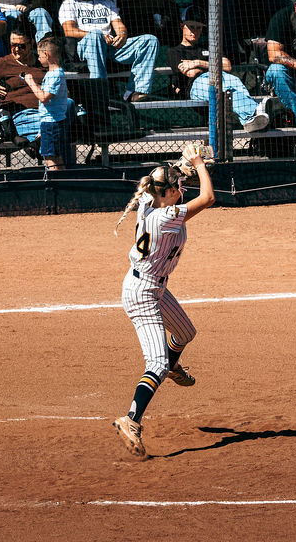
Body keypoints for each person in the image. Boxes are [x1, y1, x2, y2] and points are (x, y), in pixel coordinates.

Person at [109, 141, 214, 459]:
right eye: (179, 187)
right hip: (142, 294)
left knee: (185, 333)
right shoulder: (164, 218)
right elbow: (208, 198)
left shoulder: (151, 202)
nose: (183, 189)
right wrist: (197, 163)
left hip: (156, 288)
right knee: (154, 363)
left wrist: (181, 166)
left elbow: (167, 178)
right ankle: (131, 420)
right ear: (167, 195)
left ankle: (171, 365)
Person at [57, 0, 159, 102]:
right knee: (95, 35)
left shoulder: (106, 3)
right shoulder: (68, 3)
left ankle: (134, 91)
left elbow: (119, 25)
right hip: (85, 48)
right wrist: (99, 36)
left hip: (110, 47)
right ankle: (100, 92)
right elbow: (68, 30)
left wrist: (122, 35)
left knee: (150, 40)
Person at [169, 6, 271, 133]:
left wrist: (197, 63)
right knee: (224, 88)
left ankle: (250, 119)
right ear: (182, 26)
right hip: (196, 85)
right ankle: (256, 111)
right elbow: (191, 73)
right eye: (191, 27)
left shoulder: (207, 46)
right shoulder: (175, 51)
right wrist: (212, 65)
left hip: (221, 76)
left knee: (234, 80)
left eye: (199, 27)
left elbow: (227, 65)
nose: (194, 31)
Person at [0, 24, 45, 149]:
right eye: (13, 45)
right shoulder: (3, 64)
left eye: (21, 46)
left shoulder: (42, 61)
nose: (16, 49)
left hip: (47, 111)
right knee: (55, 133)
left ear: (31, 43)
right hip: (22, 115)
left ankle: (38, 145)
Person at [20, 36, 74, 169]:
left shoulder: (55, 75)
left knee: (50, 158)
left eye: (39, 55)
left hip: (52, 123)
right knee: (56, 157)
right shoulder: (53, 74)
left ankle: (54, 186)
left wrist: (30, 82)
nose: (38, 58)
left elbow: (44, 97)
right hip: (51, 122)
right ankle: (62, 183)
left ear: (47, 54)